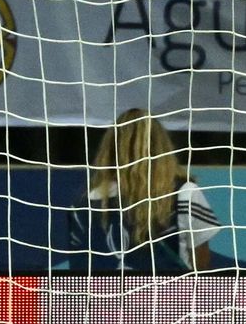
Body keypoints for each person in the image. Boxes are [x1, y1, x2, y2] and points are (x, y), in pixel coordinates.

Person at [67, 108, 221, 272]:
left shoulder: (86, 202)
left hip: (107, 297)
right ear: (160, 147)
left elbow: (79, 270)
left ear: (112, 147)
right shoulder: (184, 193)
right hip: (170, 295)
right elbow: (202, 267)